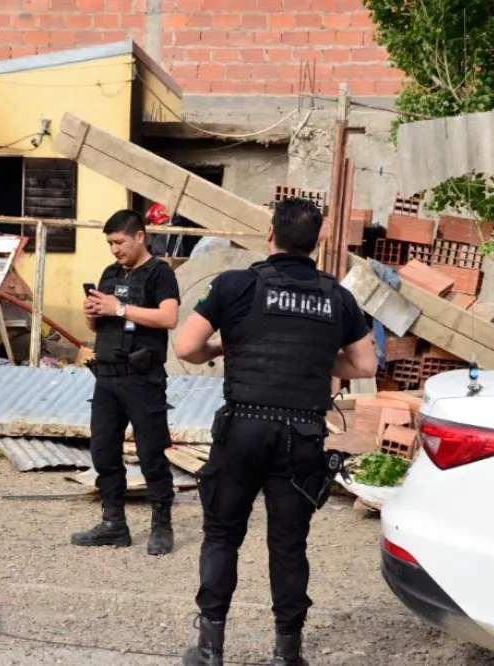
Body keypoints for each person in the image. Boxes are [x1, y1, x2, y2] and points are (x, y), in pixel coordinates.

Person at [172, 197, 377, 666]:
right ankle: (287, 655)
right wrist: (317, 358)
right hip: (301, 436)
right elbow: (364, 363)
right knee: (288, 545)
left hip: (243, 429)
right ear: (318, 242)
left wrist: (226, 348)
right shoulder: (337, 297)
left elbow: (186, 347)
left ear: (271, 235)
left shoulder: (236, 284)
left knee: (222, 535)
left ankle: (209, 651)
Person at [72, 209, 182, 556]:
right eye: (109, 243)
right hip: (106, 378)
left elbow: (169, 317)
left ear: (139, 237)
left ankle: (162, 525)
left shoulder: (159, 273)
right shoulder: (110, 273)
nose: (115, 250)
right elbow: (97, 327)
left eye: (119, 242)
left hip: (142, 379)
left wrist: (119, 309)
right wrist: (93, 314)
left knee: (152, 454)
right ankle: (114, 524)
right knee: (103, 451)